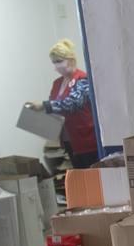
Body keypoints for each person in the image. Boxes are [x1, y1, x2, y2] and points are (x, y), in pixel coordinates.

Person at [25, 39, 98, 169]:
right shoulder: (57, 83)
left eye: (59, 61)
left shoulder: (83, 79)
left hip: (87, 140)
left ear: (70, 60)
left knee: (92, 177)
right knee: (79, 177)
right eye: (54, 62)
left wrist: (43, 105)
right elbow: (54, 107)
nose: (57, 66)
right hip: (68, 140)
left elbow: (73, 103)